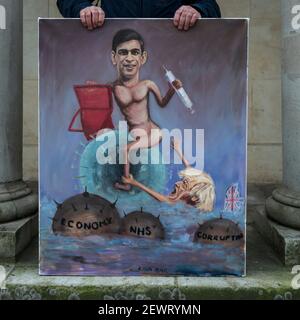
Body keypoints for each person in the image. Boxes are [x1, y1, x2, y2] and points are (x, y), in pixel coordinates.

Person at [110, 29, 182, 191]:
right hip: (135, 133)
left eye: (135, 52)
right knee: (124, 147)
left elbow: (162, 103)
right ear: (114, 57)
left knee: (125, 149)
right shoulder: (114, 87)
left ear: (143, 58)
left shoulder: (148, 84)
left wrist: (172, 89)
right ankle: (128, 179)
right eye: (123, 53)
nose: (129, 58)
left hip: (153, 132)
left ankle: (127, 182)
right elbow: (103, 106)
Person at [122, 139, 216, 212]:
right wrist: (178, 150)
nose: (177, 184)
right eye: (183, 181)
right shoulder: (192, 194)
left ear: (194, 197)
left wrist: (134, 182)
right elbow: (190, 171)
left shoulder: (180, 205)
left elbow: (161, 198)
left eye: (184, 185)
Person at [57, 0, 221, 31]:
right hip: (116, 57)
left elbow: (211, 7)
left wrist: (196, 9)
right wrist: (83, 8)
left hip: (169, 60)